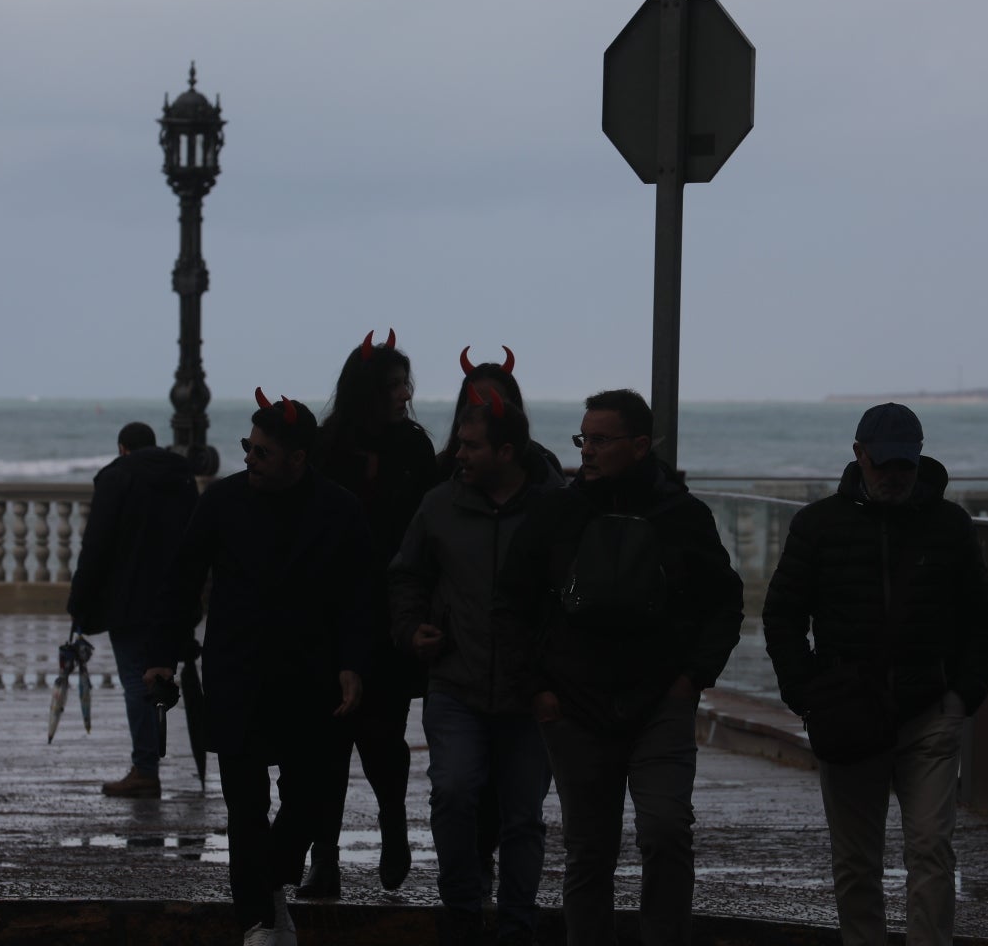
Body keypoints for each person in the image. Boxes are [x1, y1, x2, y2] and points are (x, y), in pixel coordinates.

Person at [494, 389, 743, 946]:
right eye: (583, 438)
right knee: (589, 849)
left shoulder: (682, 515)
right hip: (573, 705)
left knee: (666, 830)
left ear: (638, 445)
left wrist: (691, 679)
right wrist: (536, 689)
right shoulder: (555, 512)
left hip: (660, 702)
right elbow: (510, 602)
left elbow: (724, 602)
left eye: (601, 440)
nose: (586, 450)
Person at [761, 403, 988, 946]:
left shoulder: (949, 525)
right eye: (884, 465)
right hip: (848, 711)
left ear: (919, 460)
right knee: (855, 859)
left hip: (931, 709)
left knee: (930, 847)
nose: (894, 476)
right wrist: (806, 695)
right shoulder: (819, 525)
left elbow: (981, 618)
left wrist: (964, 695)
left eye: (905, 467)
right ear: (859, 456)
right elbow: (782, 615)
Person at [146, 390, 371, 946]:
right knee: (246, 806)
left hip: (310, 679)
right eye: (248, 446)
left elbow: (360, 595)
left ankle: (271, 883)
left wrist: (353, 663)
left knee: (306, 801)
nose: (249, 457)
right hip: (237, 674)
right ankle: (258, 920)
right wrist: (161, 656)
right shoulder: (221, 502)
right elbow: (181, 581)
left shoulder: (340, 509)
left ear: (298, 458)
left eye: (262, 451)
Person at [390, 388, 564, 945]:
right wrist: (409, 628)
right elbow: (406, 575)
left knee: (522, 816)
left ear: (506, 451)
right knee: (455, 791)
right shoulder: (440, 503)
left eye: (470, 446)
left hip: (529, 691)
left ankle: (517, 924)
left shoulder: (552, 510)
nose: (457, 454)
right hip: (455, 681)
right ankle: (462, 912)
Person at [301, 330, 439, 896]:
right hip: (329, 612)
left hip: (390, 611)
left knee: (383, 737)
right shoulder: (327, 444)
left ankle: (393, 828)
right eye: (397, 384)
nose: (407, 392)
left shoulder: (413, 446)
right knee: (325, 744)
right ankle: (325, 859)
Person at [67, 420, 200, 798]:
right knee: (161, 675)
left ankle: (145, 768)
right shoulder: (182, 477)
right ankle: (163, 760)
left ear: (123, 448)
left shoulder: (117, 477)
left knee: (134, 679)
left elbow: (97, 545)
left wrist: (79, 600)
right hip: (175, 595)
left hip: (127, 597)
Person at [433, 346, 564, 479]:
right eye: (475, 404)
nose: (483, 413)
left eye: (492, 404)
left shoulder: (544, 464)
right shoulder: (442, 467)